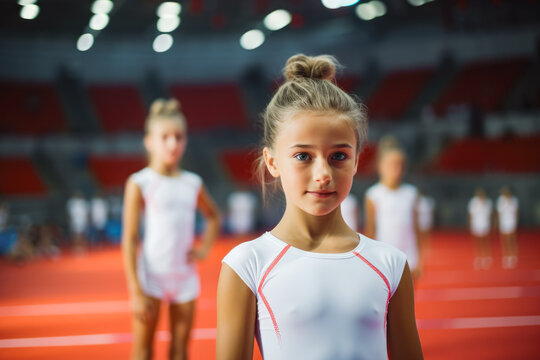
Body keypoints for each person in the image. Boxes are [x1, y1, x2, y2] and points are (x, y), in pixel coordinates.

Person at [216, 54, 423, 360]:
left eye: (338, 155)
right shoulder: (247, 265)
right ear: (273, 162)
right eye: (303, 156)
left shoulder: (390, 264)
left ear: (356, 160)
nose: (323, 174)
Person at [122, 98, 221, 360]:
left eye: (178, 137)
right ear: (149, 141)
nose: (173, 144)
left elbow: (213, 216)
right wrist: (135, 290)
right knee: (143, 350)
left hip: (185, 277)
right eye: (164, 137)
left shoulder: (192, 183)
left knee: (180, 350)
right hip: (151, 277)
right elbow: (130, 239)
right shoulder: (140, 182)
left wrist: (204, 249)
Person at [364, 136, 423, 279]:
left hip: (409, 255)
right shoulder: (374, 194)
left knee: (409, 298)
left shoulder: (411, 193)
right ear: (380, 166)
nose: (396, 170)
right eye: (391, 166)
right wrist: (370, 259)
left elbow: (416, 228)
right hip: (384, 256)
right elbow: (371, 229)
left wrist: (419, 259)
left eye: (399, 166)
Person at [468, 188, 493, 270]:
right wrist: (471, 224)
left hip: (485, 223)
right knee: (478, 240)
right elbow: (470, 214)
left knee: (486, 240)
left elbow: (491, 214)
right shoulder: (473, 202)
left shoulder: (488, 202)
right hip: (476, 223)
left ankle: (486, 256)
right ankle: (479, 256)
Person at [496, 186, 519, 269]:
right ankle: (506, 256)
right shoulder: (500, 200)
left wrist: (515, 222)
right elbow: (499, 212)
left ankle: (513, 255)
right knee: (505, 240)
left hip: (511, 221)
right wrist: (498, 223)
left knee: (512, 239)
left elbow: (516, 212)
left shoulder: (514, 200)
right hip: (503, 222)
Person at [416, 190, 435, 256]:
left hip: (426, 218)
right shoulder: (416, 201)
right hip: (421, 219)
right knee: (420, 234)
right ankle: (421, 247)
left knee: (426, 233)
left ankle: (425, 246)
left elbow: (431, 211)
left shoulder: (428, 200)